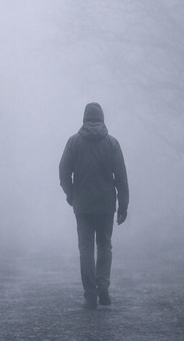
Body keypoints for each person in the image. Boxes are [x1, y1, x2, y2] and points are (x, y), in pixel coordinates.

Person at [58, 102, 128, 310]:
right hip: (106, 205)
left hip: (83, 205)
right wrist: (123, 205)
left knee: (86, 249)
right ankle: (103, 285)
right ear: (102, 118)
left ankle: (90, 294)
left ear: (84, 118)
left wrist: (71, 194)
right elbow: (121, 178)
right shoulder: (112, 143)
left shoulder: (73, 142)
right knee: (105, 245)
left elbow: (63, 172)